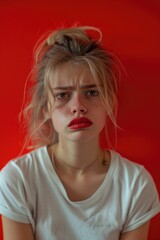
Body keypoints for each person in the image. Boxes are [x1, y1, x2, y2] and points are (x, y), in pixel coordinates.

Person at [0, 25, 160, 240]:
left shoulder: (135, 184)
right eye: (62, 95)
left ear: (109, 102)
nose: (78, 106)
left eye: (92, 92)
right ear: (46, 108)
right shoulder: (17, 179)